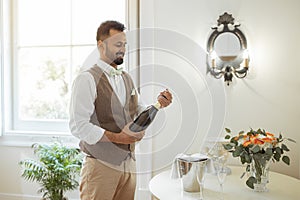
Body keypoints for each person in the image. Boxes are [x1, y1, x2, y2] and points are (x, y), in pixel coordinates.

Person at [69, 20, 172, 200]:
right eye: (118, 44)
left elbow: (140, 111)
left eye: (124, 44)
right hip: (100, 167)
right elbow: (78, 126)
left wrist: (159, 105)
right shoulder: (86, 79)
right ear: (101, 45)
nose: (123, 49)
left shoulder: (127, 78)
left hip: (129, 165)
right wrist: (118, 137)